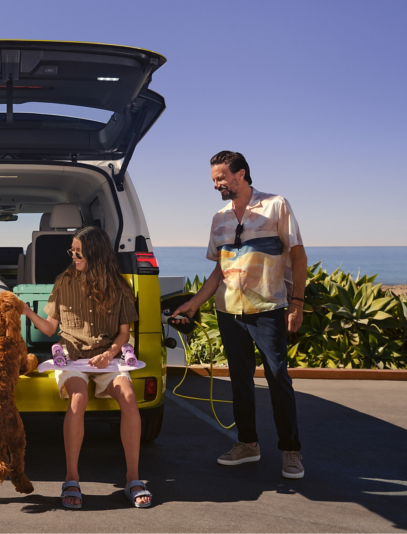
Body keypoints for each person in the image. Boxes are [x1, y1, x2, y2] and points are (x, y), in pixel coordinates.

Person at [173, 151, 307, 479]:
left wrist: (297, 302)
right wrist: (195, 303)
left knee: (278, 378)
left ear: (241, 174)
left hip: (269, 309)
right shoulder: (219, 218)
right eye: (214, 180)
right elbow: (220, 271)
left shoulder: (276, 205)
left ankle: (290, 450)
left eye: (221, 178)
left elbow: (299, 256)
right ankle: (248, 444)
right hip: (228, 311)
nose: (216, 184)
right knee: (240, 381)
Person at [22, 225, 153, 508]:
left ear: (94, 253)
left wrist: (109, 354)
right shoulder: (63, 282)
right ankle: (72, 478)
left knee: (130, 399)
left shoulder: (119, 287)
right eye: (72, 251)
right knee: (78, 399)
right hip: (71, 356)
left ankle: (133, 478)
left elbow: (123, 333)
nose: (73, 256)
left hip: (107, 357)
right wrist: (27, 312)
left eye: (78, 252)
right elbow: (49, 329)